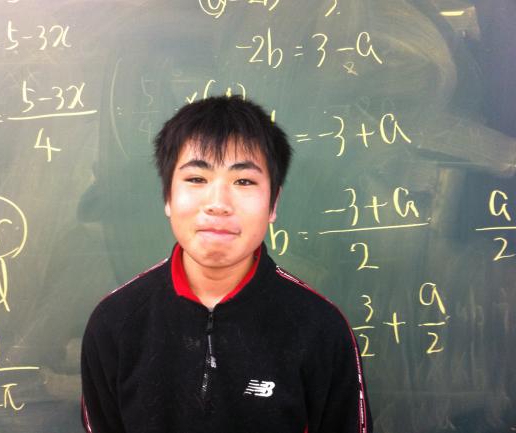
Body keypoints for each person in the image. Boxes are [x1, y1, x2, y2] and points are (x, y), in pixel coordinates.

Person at [80, 96, 372, 433]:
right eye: (196, 179)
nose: (218, 204)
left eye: (244, 181)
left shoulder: (320, 329)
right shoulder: (115, 323)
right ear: (168, 197)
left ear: (273, 203)